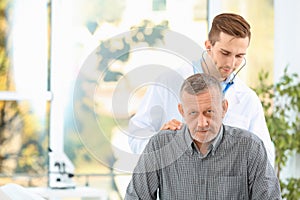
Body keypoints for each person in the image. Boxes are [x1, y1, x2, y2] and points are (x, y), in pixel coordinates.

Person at [128, 13, 275, 166]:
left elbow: (266, 156)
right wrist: (158, 143)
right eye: (225, 53)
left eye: (239, 56)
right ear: (208, 46)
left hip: (227, 187)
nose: (231, 64)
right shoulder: (168, 82)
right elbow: (137, 134)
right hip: (179, 185)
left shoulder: (247, 99)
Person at [125, 73, 281, 200]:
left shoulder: (250, 148)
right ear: (182, 111)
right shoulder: (160, 145)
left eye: (209, 112)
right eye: (193, 113)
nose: (202, 123)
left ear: (224, 108)